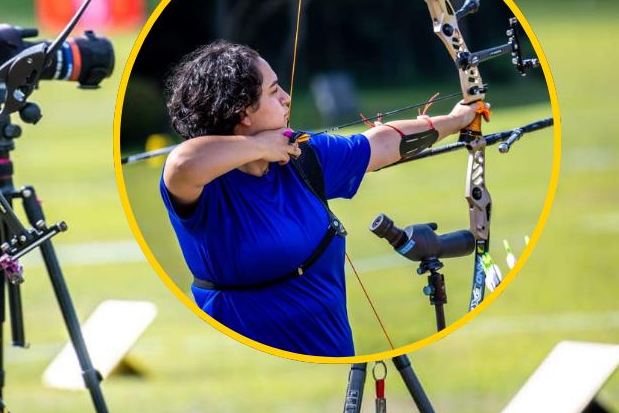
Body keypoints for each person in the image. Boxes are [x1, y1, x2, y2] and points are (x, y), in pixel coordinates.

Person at [159, 40, 479, 357]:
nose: (286, 98)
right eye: (273, 92)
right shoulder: (209, 185)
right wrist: (260, 147)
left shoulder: (300, 155)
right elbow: (182, 162)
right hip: (250, 363)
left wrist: (457, 120)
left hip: (332, 353)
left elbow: (379, 145)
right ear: (243, 111)